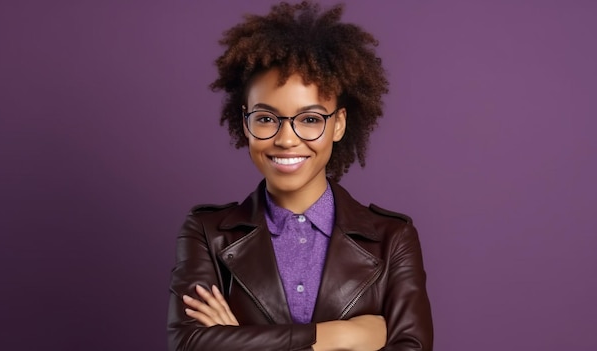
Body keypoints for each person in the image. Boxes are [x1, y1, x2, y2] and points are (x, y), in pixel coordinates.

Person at [167, 2, 433, 350]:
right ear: (244, 121)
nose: (286, 139)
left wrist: (239, 340)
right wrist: (340, 335)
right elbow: (189, 345)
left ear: (338, 124)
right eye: (266, 118)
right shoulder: (206, 232)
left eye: (309, 119)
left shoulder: (393, 239)